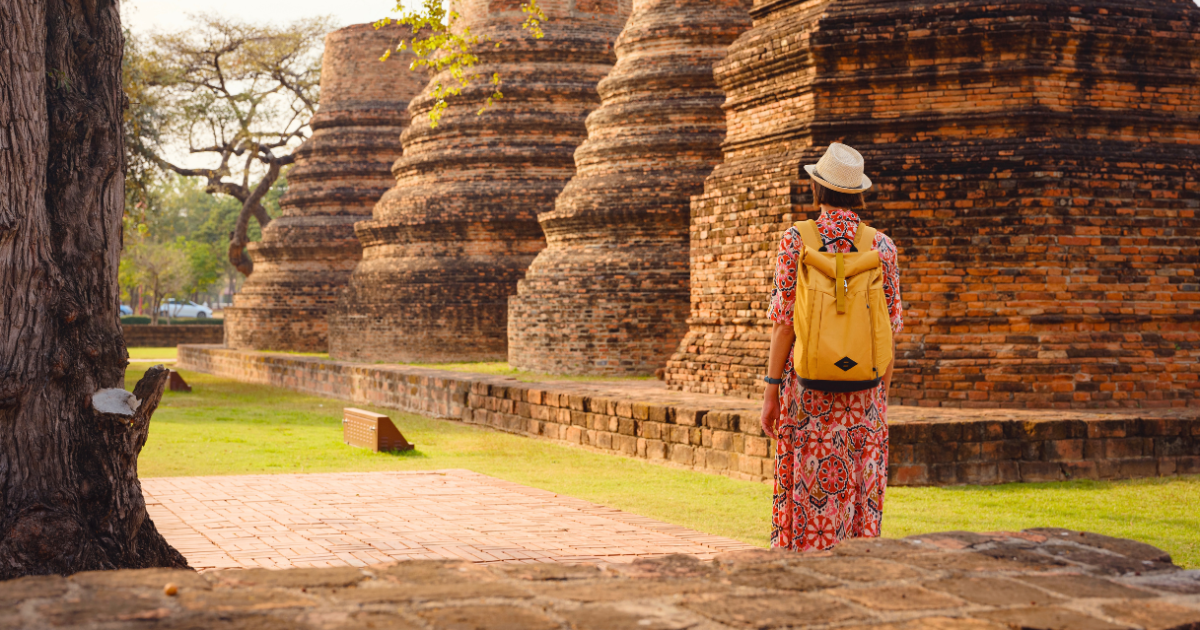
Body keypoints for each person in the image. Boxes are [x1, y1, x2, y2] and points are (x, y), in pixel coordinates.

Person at [760, 142, 903, 552]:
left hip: (808, 395)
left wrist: (771, 391)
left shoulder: (796, 241)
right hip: (865, 398)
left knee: (806, 496)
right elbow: (890, 331)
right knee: (858, 498)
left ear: (816, 190)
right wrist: (879, 395)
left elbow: (784, 326)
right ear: (859, 193)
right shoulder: (882, 247)